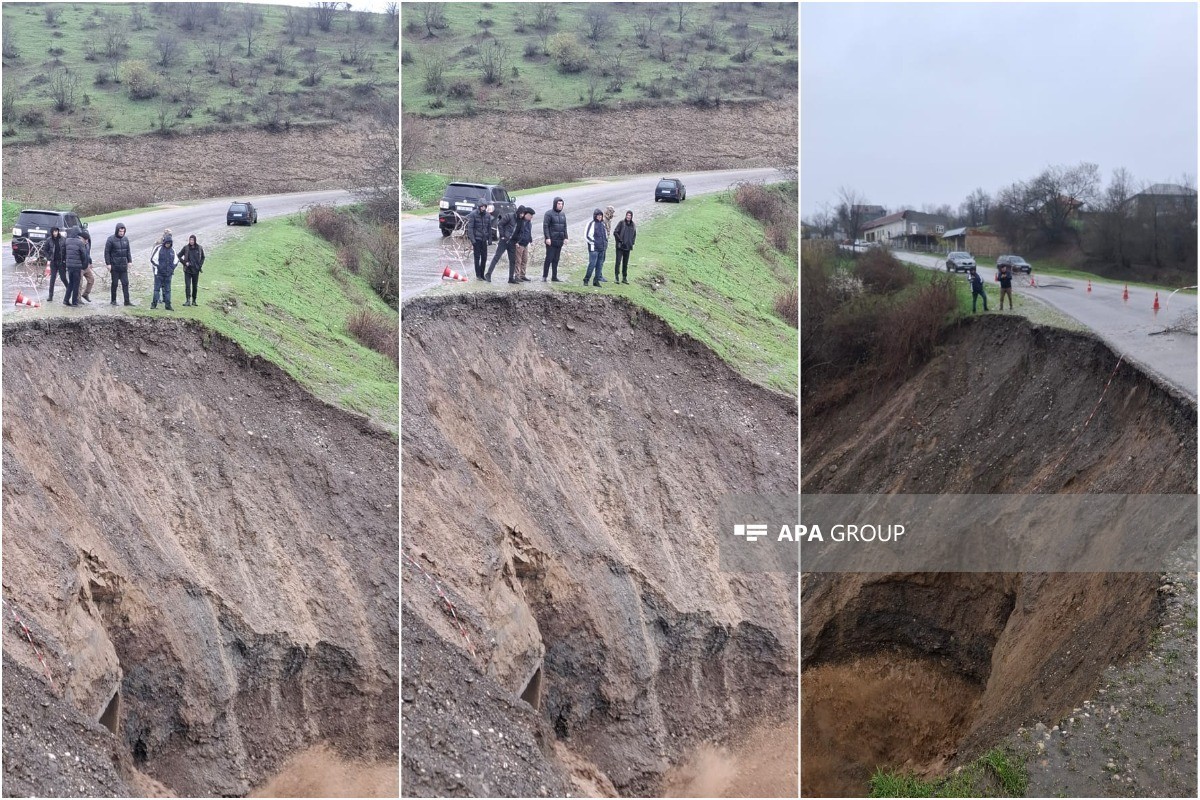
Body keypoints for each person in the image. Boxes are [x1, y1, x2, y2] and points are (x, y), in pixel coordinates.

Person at [486, 204, 519, 283]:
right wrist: (502, 236)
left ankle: (511, 278)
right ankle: (488, 274)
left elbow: (519, 232)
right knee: (497, 257)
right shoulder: (509, 216)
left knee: (512, 260)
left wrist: (517, 241)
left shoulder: (520, 221)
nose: (521, 215)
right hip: (504, 241)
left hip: (512, 242)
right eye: (520, 214)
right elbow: (500, 224)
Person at [105, 222, 133, 306]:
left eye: (123, 232)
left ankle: (127, 301)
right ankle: (113, 300)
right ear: (117, 230)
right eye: (120, 231)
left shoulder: (126, 239)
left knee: (125, 283)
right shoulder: (110, 239)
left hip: (123, 266)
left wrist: (130, 261)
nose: (121, 233)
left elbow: (128, 251)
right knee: (115, 284)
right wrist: (108, 263)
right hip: (114, 266)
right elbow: (107, 252)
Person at [542, 196, 567, 282]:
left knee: (556, 259)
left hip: (559, 241)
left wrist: (566, 237)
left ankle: (554, 277)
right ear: (555, 204)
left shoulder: (563, 214)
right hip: (551, 241)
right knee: (549, 258)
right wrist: (547, 238)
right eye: (559, 204)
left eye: (561, 204)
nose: (560, 205)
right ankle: (544, 276)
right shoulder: (548, 214)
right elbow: (545, 226)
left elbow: (565, 227)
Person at [63, 227, 88, 307]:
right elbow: (83, 255)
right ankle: (74, 302)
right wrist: (84, 265)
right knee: (76, 284)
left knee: (70, 283)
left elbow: (63, 252)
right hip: (77, 266)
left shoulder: (67, 241)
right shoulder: (79, 242)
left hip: (69, 266)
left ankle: (66, 300)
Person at [151, 235, 177, 310]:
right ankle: (154, 305)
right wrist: (158, 267)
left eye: (169, 243)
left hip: (168, 274)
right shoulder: (158, 249)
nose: (168, 244)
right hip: (159, 274)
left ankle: (168, 305)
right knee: (157, 289)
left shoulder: (173, 250)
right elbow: (152, 259)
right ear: (164, 242)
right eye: (167, 243)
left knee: (168, 290)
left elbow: (176, 261)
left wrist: (172, 269)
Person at [584, 208, 608, 287]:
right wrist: (594, 243)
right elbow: (587, 236)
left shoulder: (603, 224)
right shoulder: (591, 224)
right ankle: (586, 279)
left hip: (602, 248)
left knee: (599, 265)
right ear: (595, 216)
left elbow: (605, 235)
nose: (600, 217)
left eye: (601, 215)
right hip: (594, 249)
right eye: (598, 215)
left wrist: (605, 243)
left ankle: (596, 281)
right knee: (592, 264)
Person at [467, 201, 492, 280]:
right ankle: (478, 275)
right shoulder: (473, 214)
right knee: (477, 258)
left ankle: (482, 274)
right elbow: (470, 228)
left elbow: (489, 228)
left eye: (484, 206)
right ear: (479, 206)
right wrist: (473, 240)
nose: (483, 208)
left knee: (484, 257)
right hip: (476, 239)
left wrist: (490, 239)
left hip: (484, 239)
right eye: (482, 206)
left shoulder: (488, 215)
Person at [178, 234, 205, 306]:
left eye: (192, 240)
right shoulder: (186, 248)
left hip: (196, 270)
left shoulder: (199, 248)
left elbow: (203, 257)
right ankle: (188, 300)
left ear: (195, 240)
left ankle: (194, 300)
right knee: (187, 285)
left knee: (195, 286)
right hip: (187, 270)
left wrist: (199, 265)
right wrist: (184, 263)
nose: (191, 241)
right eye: (190, 240)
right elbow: (178, 256)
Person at [612, 210, 637, 284]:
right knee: (618, 262)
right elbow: (615, 232)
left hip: (628, 247)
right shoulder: (621, 223)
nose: (628, 217)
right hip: (620, 247)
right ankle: (616, 277)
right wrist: (620, 240)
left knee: (625, 263)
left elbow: (634, 235)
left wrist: (632, 242)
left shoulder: (633, 225)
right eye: (627, 215)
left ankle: (624, 277)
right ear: (626, 215)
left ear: (631, 216)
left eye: (630, 215)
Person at [44, 226, 68, 302]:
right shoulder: (49, 240)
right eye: (54, 232)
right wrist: (49, 257)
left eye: (56, 231)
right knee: (52, 279)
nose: (55, 233)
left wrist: (65, 259)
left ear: (58, 232)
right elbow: (45, 250)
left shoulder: (63, 239)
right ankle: (50, 296)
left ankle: (69, 289)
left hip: (61, 262)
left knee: (63, 278)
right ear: (51, 232)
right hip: (53, 262)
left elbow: (66, 250)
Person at [513, 206, 534, 283]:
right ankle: (517, 275)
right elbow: (516, 232)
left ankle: (522, 275)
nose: (531, 217)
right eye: (530, 215)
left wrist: (531, 241)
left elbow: (528, 233)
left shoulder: (529, 223)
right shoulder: (520, 222)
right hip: (519, 244)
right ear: (526, 214)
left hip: (525, 244)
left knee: (524, 260)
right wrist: (516, 242)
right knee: (518, 260)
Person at [78, 229, 94, 303]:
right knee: (79, 283)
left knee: (91, 279)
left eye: (87, 240)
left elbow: (87, 254)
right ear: (81, 238)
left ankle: (85, 294)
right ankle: (78, 299)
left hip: (86, 265)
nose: (87, 241)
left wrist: (90, 262)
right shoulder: (78, 244)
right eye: (85, 239)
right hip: (79, 267)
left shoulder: (86, 244)